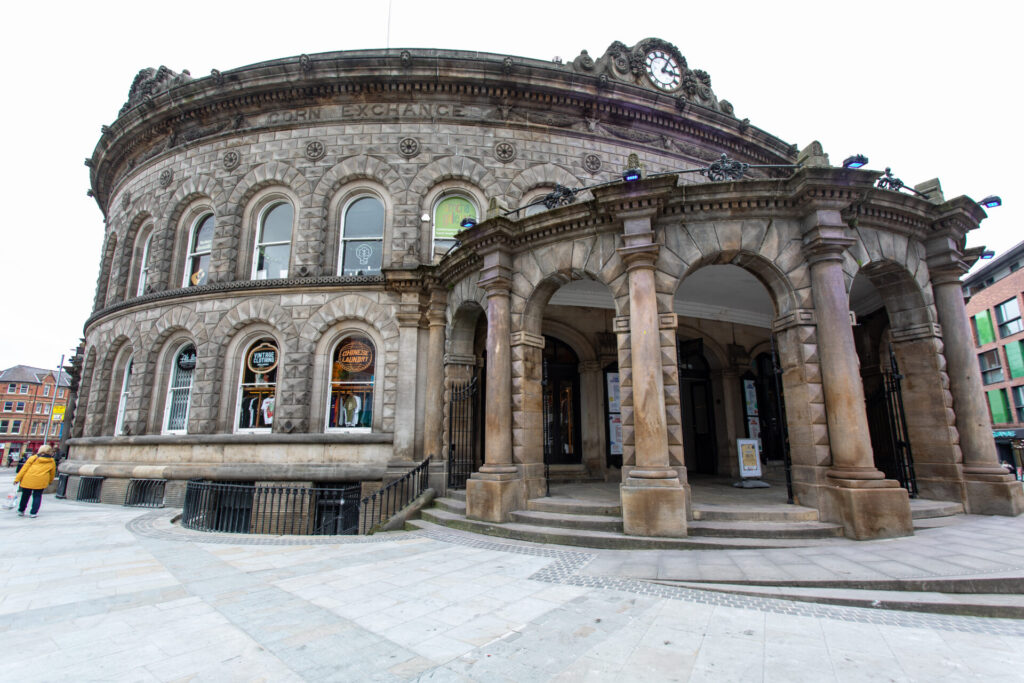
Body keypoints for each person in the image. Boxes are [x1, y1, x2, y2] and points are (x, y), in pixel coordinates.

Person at [14, 445, 57, 518]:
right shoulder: (51, 461)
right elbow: (52, 473)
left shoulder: (33, 458)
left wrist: (17, 479)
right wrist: (50, 481)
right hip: (41, 480)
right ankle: (33, 512)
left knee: (25, 495)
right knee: (37, 496)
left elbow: (24, 469)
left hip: (29, 479)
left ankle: (21, 510)